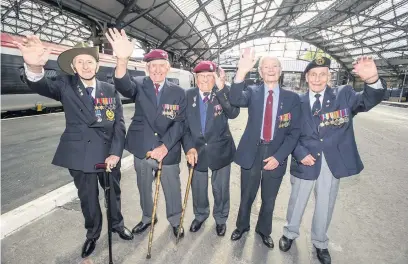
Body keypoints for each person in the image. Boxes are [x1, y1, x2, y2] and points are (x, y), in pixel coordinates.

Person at [14, 36, 133, 258]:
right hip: (80, 154)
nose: (85, 66)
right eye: (80, 62)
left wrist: (116, 153)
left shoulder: (109, 89)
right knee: (88, 197)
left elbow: (119, 124)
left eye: (89, 61)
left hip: (109, 154)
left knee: (113, 194)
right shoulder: (65, 84)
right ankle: (93, 234)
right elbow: (40, 83)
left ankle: (116, 225)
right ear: (73, 67)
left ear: (97, 65)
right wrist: (33, 65)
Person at [278, 56, 386, 264]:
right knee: (297, 201)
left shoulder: (343, 95)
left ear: (329, 77)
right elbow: (289, 133)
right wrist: (300, 154)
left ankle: (320, 242)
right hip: (305, 160)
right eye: (313, 75)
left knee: (325, 205)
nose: (318, 79)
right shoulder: (295, 102)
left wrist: (372, 79)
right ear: (306, 78)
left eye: (323, 74)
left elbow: (368, 100)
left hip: (330, 161)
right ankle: (289, 233)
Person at [105, 28, 186, 238]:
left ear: (168, 68)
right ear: (147, 68)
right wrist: (122, 60)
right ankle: (148, 218)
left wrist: (165, 146)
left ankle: (176, 220)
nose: (157, 70)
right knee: (143, 188)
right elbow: (123, 85)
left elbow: (179, 123)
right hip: (142, 147)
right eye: (153, 66)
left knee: (172, 187)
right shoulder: (138, 85)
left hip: (167, 149)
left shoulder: (178, 92)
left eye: (161, 66)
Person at [229, 48, 301, 248]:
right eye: (266, 67)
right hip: (252, 151)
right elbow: (234, 99)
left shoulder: (292, 99)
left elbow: (294, 132)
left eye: (274, 66)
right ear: (260, 72)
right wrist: (241, 72)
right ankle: (242, 226)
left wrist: (279, 157)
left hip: (275, 153)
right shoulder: (252, 92)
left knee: (269, 198)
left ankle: (264, 230)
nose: (270, 70)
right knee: (247, 195)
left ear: (280, 70)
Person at [182, 61, 239, 236]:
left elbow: (233, 113)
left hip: (221, 149)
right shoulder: (187, 95)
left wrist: (222, 91)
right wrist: (189, 148)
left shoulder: (222, 92)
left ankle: (221, 218)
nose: (205, 80)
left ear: (215, 78)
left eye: (209, 76)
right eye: (201, 76)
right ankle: (200, 215)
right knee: (198, 187)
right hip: (196, 151)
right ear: (195, 78)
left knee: (220, 188)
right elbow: (183, 126)